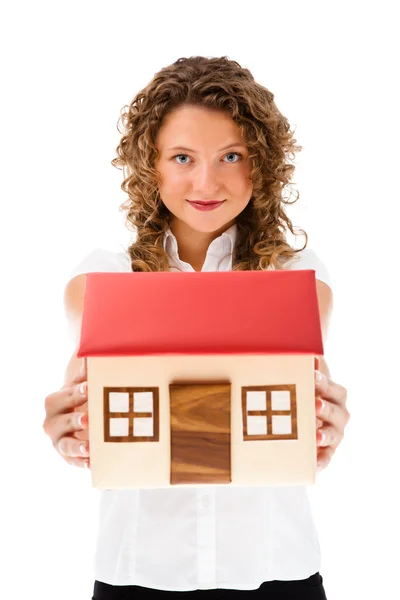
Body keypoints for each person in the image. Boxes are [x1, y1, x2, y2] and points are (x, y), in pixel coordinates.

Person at [43, 56, 350, 599]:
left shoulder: (297, 277)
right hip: (139, 571)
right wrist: (70, 427)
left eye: (230, 156)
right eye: (182, 157)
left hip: (276, 567)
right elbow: (84, 384)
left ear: (261, 164)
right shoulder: (103, 277)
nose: (206, 181)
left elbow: (308, 388)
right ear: (150, 166)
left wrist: (325, 423)